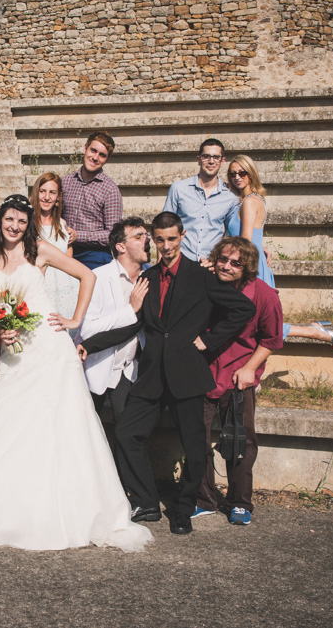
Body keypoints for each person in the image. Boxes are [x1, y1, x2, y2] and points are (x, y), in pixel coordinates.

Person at [0, 194, 152, 553]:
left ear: (28, 224)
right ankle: (11, 507)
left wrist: (75, 320)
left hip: (49, 347)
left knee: (56, 424)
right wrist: (0, 331)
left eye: (20, 221)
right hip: (13, 354)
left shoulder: (40, 251)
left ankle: (65, 509)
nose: (14, 226)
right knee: (11, 423)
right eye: (8, 220)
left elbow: (86, 275)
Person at [103, 212, 255, 536]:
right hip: (153, 375)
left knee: (196, 446)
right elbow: (134, 324)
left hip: (187, 373)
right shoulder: (148, 278)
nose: (166, 246)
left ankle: (183, 508)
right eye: (160, 240)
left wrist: (208, 340)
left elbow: (244, 308)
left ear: (182, 236)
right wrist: (88, 343)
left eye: (172, 239)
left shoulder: (201, 276)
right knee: (127, 433)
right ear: (153, 240)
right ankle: (145, 501)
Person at [194, 236, 284, 526]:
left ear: (247, 268)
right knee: (196, 438)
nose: (228, 266)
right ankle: (203, 499)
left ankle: (239, 502)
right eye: (223, 259)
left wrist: (250, 369)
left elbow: (271, 339)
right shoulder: (205, 286)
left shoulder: (264, 294)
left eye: (236, 263)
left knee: (240, 442)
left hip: (238, 375)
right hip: (203, 373)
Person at [224, 154, 333, 347]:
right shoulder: (246, 200)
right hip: (249, 259)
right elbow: (253, 236)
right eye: (233, 173)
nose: (237, 177)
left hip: (247, 265)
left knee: (257, 321)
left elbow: (244, 241)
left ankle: (313, 332)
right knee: (254, 321)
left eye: (242, 173)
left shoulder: (251, 201)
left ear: (251, 174)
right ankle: (314, 330)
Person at [75, 217, 151, 424]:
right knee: (86, 431)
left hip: (130, 371)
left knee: (127, 434)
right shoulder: (97, 277)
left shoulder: (150, 278)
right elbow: (88, 329)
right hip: (95, 368)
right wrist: (130, 310)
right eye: (138, 236)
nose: (147, 241)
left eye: (147, 235)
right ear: (120, 246)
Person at [162, 138, 238, 262]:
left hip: (211, 264)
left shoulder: (230, 196)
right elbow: (164, 227)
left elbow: (233, 232)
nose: (211, 161)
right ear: (199, 160)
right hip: (180, 261)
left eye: (216, 157)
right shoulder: (179, 189)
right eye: (206, 156)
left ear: (222, 161)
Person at [61, 131, 123, 269]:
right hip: (65, 249)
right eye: (93, 150)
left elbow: (113, 234)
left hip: (95, 255)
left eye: (102, 155)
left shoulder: (110, 190)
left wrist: (79, 235)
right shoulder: (65, 181)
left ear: (107, 159)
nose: (95, 157)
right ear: (85, 148)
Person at [31, 172, 80, 321]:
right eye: (43, 191)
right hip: (41, 283)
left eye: (52, 192)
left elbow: (68, 251)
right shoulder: (30, 223)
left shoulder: (62, 224)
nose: (47, 197)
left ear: (58, 197)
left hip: (66, 286)